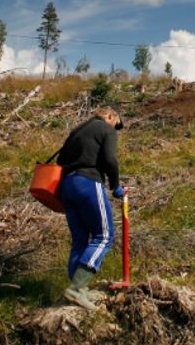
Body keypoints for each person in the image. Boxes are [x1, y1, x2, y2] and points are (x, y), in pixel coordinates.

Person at [56, 106, 125, 310]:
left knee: (80, 239)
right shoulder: (106, 129)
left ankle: (79, 290)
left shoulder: (77, 131)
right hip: (88, 183)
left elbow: (60, 161)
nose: (116, 128)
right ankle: (77, 288)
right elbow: (110, 159)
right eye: (116, 123)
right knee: (104, 237)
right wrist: (116, 187)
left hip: (66, 186)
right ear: (110, 116)